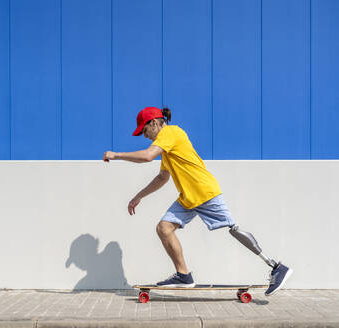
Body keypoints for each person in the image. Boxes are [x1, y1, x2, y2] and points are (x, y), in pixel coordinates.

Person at [103, 106, 292, 296]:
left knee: (233, 229)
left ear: (153, 123)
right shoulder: (166, 146)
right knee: (164, 228)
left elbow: (147, 156)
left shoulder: (170, 133)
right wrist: (139, 196)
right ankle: (184, 276)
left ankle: (276, 267)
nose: (145, 136)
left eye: (144, 131)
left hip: (204, 191)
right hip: (188, 197)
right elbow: (162, 177)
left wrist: (117, 155)